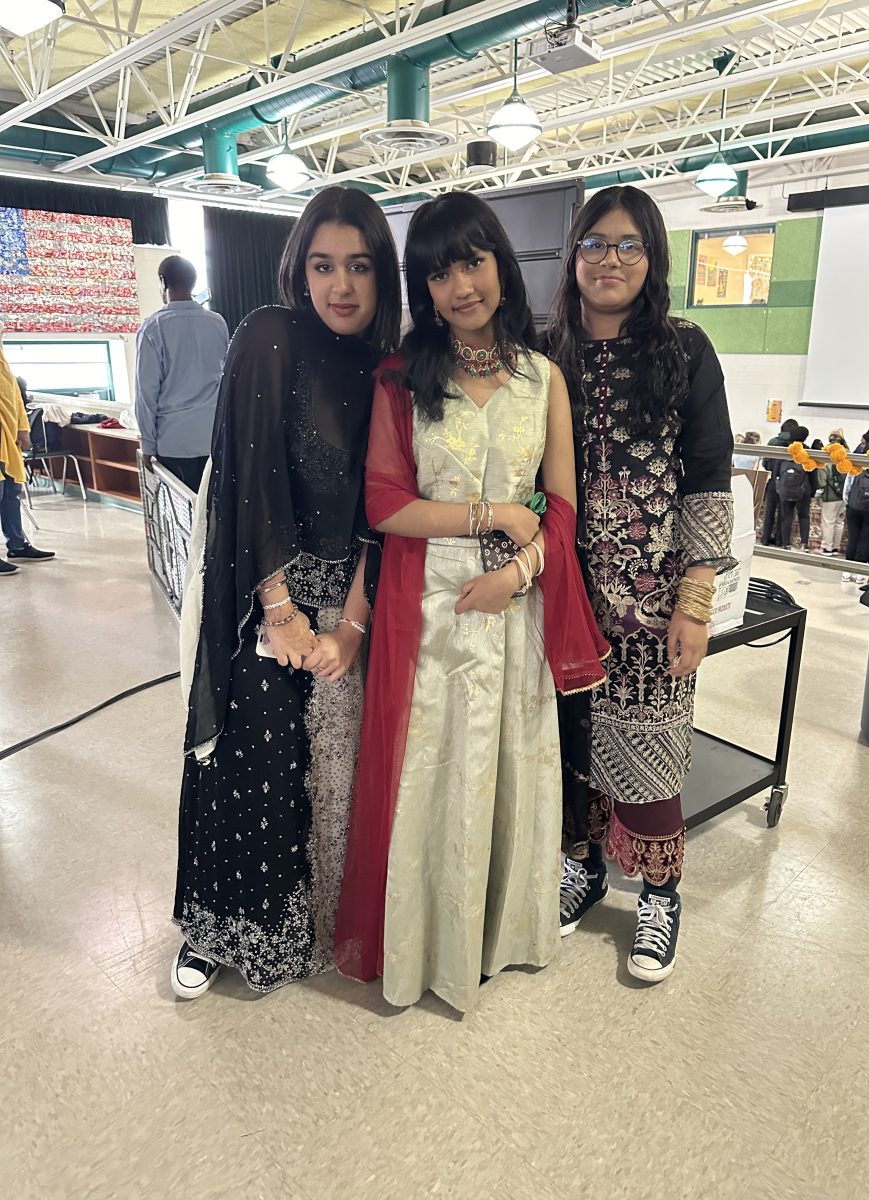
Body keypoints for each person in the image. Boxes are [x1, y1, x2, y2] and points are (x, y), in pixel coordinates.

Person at [333, 191, 608, 1013]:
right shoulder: (401, 377)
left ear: (500, 265)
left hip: (514, 604)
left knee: (508, 766)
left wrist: (516, 573)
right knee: (433, 771)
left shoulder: (543, 378)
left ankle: (498, 937)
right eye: (439, 271)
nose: (461, 285)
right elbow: (385, 504)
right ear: (423, 286)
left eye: (473, 262)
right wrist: (490, 518)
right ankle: (426, 946)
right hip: (430, 610)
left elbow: (563, 512)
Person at [172, 188, 402, 998]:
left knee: (330, 779)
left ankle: (309, 927)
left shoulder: (390, 370)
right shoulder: (268, 335)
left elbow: (388, 514)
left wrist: (349, 627)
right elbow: (249, 477)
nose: (341, 285)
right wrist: (280, 608)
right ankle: (213, 927)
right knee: (249, 756)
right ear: (298, 270)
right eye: (323, 265)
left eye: (360, 266)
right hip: (262, 597)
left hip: (346, 612)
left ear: (384, 277)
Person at [544, 185, 735, 983]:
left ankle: (660, 891)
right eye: (594, 244)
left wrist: (695, 602)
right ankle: (583, 869)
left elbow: (708, 473)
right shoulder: (544, 350)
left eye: (627, 245)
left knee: (649, 759)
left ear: (650, 258)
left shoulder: (684, 349)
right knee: (569, 750)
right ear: (574, 256)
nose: (610, 259)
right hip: (557, 601)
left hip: (652, 611)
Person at [135, 255, 229, 492]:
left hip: (174, 441)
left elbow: (146, 393)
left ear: (163, 282)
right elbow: (225, 379)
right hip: (214, 438)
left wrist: (148, 444)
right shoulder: (217, 323)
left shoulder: (152, 328)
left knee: (181, 522)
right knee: (213, 514)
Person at [0, 325, 54, 574]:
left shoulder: (3, 360)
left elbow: (14, 398)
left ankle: (18, 544)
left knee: (11, 492)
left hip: (9, 441)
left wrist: (23, 430)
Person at [842, 454, 869, 582]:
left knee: (853, 538)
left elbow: (846, 490)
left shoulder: (855, 467)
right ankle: (860, 573)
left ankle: (847, 571)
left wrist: (850, 504)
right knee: (865, 539)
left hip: (853, 509)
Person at [774, 425, 814, 551]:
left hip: (785, 488)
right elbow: (812, 471)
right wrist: (813, 489)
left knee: (787, 516)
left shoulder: (785, 450)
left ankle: (787, 544)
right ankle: (804, 544)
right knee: (804, 516)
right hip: (803, 489)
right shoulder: (808, 451)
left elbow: (776, 472)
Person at [761, 418, 799, 545]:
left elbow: (765, 462)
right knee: (784, 513)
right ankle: (779, 540)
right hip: (788, 484)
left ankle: (765, 538)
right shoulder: (795, 445)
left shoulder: (772, 442)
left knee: (769, 512)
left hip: (772, 480)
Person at [817, 444, 846, 555]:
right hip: (842, 497)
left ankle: (826, 548)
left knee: (828, 522)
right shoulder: (844, 463)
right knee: (839, 522)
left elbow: (822, 482)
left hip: (830, 498)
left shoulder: (826, 464)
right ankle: (835, 548)